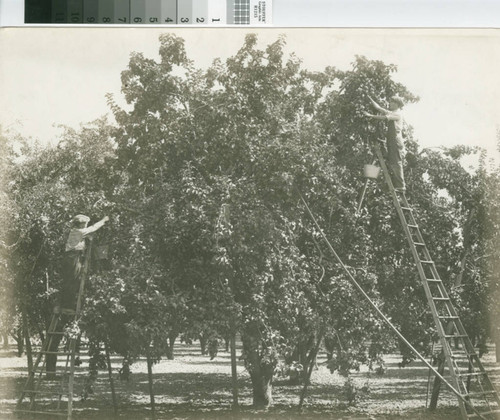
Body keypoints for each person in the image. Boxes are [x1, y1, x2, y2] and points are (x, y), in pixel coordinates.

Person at [46, 214, 108, 379]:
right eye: (84, 224)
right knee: (72, 281)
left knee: (74, 281)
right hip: (72, 258)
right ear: (81, 224)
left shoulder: (78, 232)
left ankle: (70, 301)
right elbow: (92, 229)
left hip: (74, 257)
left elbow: (89, 234)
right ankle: (70, 303)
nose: (85, 226)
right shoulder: (76, 231)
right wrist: (104, 220)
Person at [364, 95, 406, 192]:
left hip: (396, 141)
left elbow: (384, 117)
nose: (389, 103)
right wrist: (370, 98)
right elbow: (379, 108)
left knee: (396, 163)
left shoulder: (398, 114)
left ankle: (401, 186)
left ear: (397, 104)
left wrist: (370, 116)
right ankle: (398, 185)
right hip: (391, 140)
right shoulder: (393, 112)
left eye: (392, 102)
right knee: (392, 162)